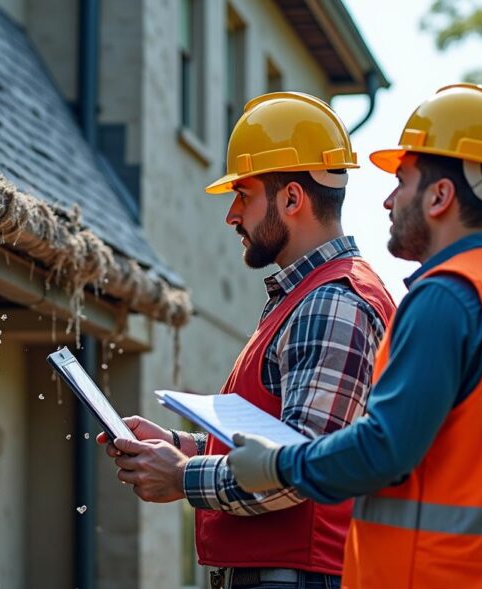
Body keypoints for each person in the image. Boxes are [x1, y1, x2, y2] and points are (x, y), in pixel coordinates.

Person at [227, 84, 482, 588]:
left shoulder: (446, 298)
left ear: (439, 196)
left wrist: (279, 465)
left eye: (403, 180)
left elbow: (382, 449)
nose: (389, 199)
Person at [98, 92, 395, 589]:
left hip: (300, 578)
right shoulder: (304, 297)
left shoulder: (331, 302)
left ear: (292, 199)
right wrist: (181, 446)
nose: (232, 215)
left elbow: (300, 467)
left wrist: (180, 476)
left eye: (244, 195)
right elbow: (275, 442)